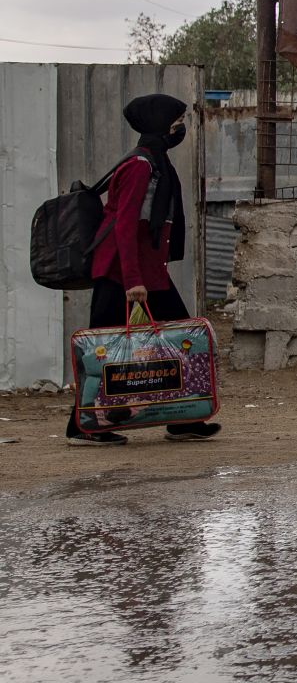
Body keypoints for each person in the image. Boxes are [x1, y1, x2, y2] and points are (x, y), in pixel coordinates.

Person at [65, 95, 222, 447]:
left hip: (147, 272)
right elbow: (124, 226)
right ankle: (83, 425)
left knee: (182, 339)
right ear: (159, 124)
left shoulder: (153, 161)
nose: (180, 128)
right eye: (175, 121)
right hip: (120, 271)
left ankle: (185, 418)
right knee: (99, 348)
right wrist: (133, 281)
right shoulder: (140, 165)